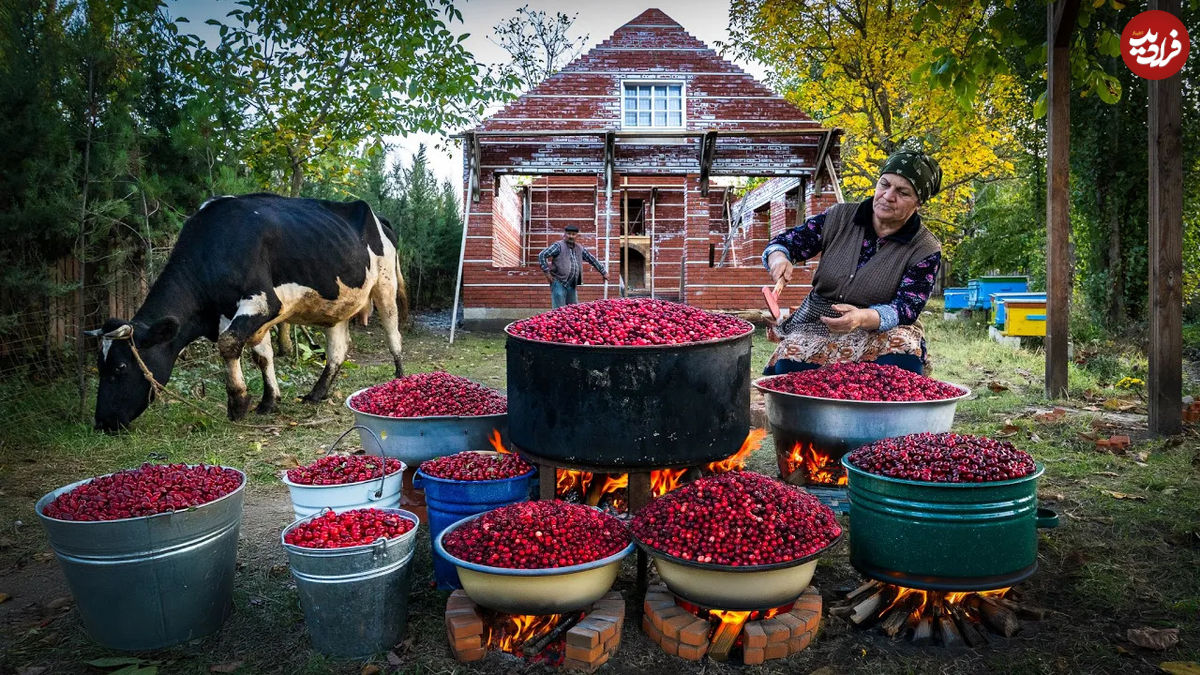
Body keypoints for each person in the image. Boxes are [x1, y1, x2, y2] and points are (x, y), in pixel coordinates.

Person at [762, 150, 943, 375]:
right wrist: (779, 257)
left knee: (901, 367)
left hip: (880, 328)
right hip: (819, 320)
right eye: (884, 184)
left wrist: (861, 318)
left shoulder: (924, 248)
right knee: (789, 370)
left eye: (903, 192)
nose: (888, 196)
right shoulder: (839, 217)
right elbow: (787, 242)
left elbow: (906, 307)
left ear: (919, 202)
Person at [538, 225, 609, 308]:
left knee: (573, 310)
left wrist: (603, 272)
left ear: (577, 236)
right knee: (559, 311)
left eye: (573, 234)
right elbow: (542, 255)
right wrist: (547, 272)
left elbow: (592, 259)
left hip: (572, 284)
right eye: (569, 234)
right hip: (558, 282)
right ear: (564, 235)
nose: (571, 236)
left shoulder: (580, 248)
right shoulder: (558, 246)